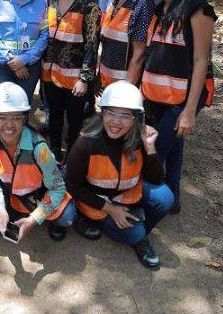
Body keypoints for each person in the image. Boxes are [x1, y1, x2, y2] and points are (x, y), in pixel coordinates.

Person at [141, 0, 216, 214]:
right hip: (158, 94)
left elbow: (200, 61)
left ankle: (150, 205)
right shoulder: (160, 8)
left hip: (182, 97)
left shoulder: (197, 8)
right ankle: (173, 195)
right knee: (174, 147)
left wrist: (188, 111)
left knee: (155, 149)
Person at [64, 80, 174, 269]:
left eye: (124, 116)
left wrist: (150, 147)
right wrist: (110, 209)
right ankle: (90, 219)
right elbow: (72, 186)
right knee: (134, 234)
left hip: (126, 195)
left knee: (164, 198)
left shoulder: (140, 140)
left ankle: (136, 226)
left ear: (135, 119)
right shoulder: (86, 143)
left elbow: (156, 179)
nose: (116, 121)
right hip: (94, 200)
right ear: (102, 113)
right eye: (111, 113)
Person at [0, 82, 76, 242]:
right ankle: (10, 209)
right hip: (10, 188)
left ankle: (45, 218)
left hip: (39, 191)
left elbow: (57, 188)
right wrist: (1, 209)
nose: (9, 124)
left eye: (16, 117)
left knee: (67, 218)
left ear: (24, 119)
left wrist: (34, 219)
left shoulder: (39, 148)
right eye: (2, 117)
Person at [40, 0, 100, 163]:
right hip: (50, 74)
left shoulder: (89, 7)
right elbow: (47, 37)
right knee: (54, 115)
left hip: (75, 78)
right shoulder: (51, 1)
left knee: (74, 119)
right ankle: (55, 151)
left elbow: (92, 45)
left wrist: (85, 79)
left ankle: (73, 154)